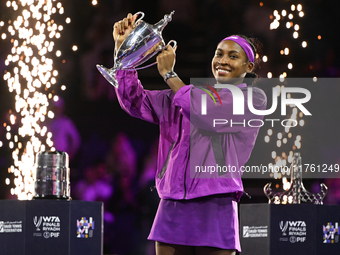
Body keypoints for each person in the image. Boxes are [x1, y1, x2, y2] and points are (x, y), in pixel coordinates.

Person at [111, 13, 267, 255]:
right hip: (172, 202)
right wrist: (125, 53)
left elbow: (208, 112)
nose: (223, 60)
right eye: (219, 53)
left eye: (233, 56)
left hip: (215, 202)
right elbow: (135, 102)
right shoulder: (186, 95)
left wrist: (170, 75)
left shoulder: (253, 99)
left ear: (248, 67)